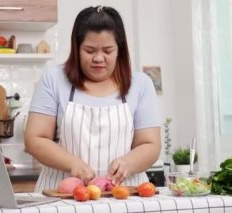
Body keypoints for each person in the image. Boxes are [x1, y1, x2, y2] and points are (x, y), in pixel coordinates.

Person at [24, 5, 161, 192]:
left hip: (123, 196)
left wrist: (128, 163)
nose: (98, 58)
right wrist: (72, 164)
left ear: (119, 49)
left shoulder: (141, 84)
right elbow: (35, 138)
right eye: (89, 50)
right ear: (76, 48)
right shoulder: (54, 79)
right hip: (61, 195)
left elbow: (150, 144)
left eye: (107, 50)